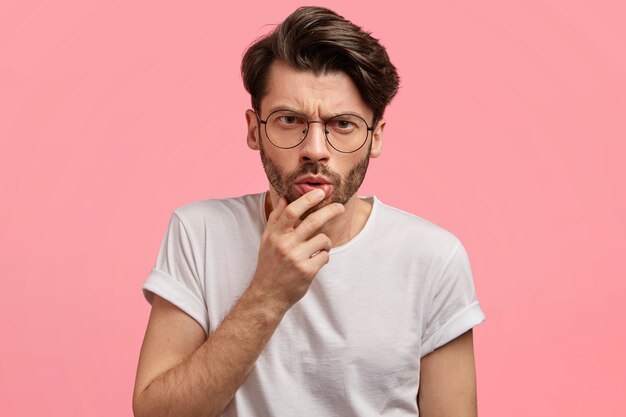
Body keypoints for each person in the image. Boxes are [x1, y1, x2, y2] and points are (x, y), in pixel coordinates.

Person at [133, 6, 485, 417]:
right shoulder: (199, 233)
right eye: (288, 119)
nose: (315, 149)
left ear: (376, 138)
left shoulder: (433, 258)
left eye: (342, 124)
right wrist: (267, 295)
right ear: (254, 130)